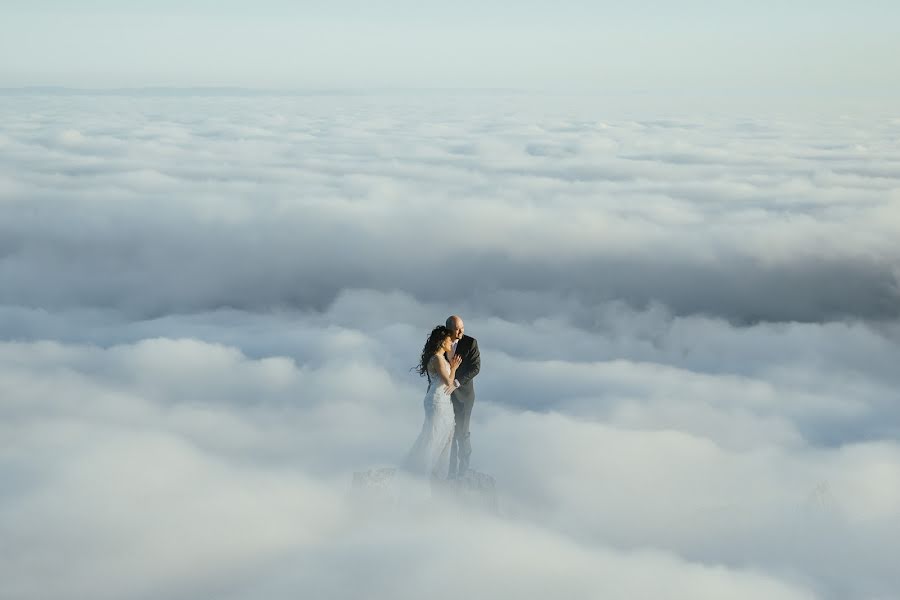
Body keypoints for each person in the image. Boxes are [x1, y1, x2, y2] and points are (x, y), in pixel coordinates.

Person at [403, 326, 463, 480]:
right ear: (442, 341)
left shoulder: (441, 358)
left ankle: (436, 473)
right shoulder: (437, 358)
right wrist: (454, 367)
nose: (451, 342)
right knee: (433, 435)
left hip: (443, 400)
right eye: (449, 340)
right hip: (437, 401)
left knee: (445, 435)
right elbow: (448, 381)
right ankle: (421, 472)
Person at [445, 315, 480, 477]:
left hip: (464, 397)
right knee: (448, 435)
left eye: (462, 328)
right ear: (449, 330)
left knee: (462, 433)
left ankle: (464, 470)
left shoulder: (470, 342)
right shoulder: (441, 343)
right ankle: (451, 470)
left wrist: (456, 383)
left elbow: (475, 368)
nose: (461, 332)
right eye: (457, 329)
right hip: (444, 397)